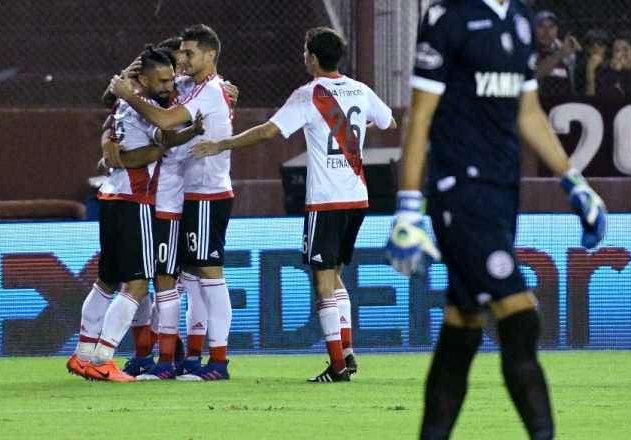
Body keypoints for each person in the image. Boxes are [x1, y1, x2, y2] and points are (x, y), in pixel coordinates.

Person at [387, 0, 606, 438]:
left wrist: (574, 182)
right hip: (459, 194)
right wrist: (409, 207)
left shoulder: (521, 20)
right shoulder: (446, 17)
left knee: (463, 323)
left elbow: (528, 112)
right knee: (520, 316)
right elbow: (420, 116)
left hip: (504, 193)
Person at [191, 27, 396, 382]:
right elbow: (389, 120)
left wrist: (221, 144)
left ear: (313, 58)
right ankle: (346, 352)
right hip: (357, 196)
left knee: (322, 282)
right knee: (335, 277)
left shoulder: (310, 94)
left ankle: (337, 367)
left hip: (327, 201)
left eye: (305, 52)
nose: (304, 57)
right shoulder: (361, 90)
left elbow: (269, 131)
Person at [112, 24, 236, 381]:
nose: (182, 60)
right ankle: (180, 359)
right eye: (180, 53)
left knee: (205, 275)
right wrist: (126, 85)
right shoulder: (188, 86)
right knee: (183, 277)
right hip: (185, 194)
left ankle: (214, 360)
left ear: (210, 55)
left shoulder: (210, 91)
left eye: (189, 53)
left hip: (204, 192)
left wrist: (129, 94)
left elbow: (164, 118)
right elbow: (133, 95)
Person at [66, 48, 187, 382]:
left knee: (106, 282)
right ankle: (104, 358)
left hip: (111, 198)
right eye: (162, 81)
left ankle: (83, 355)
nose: (168, 86)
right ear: (144, 80)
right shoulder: (144, 108)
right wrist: (170, 142)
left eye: (171, 79)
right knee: (137, 283)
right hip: (135, 202)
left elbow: (117, 135)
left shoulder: (125, 101)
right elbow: (137, 155)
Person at [530, 10, 581, 97]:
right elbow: (533, 75)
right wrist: (560, 54)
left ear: (557, 30)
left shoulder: (565, 49)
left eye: (551, 27)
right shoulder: (526, 49)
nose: (547, 32)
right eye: (541, 27)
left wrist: (581, 55)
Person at [593, 31, 631, 99]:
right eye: (616, 50)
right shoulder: (604, 70)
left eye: (625, 50)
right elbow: (602, 97)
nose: (620, 54)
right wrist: (614, 73)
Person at [581, 28, 612, 96]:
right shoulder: (581, 67)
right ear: (586, 48)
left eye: (600, 43)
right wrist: (590, 70)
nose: (596, 46)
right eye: (591, 43)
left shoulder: (612, 67)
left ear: (605, 47)